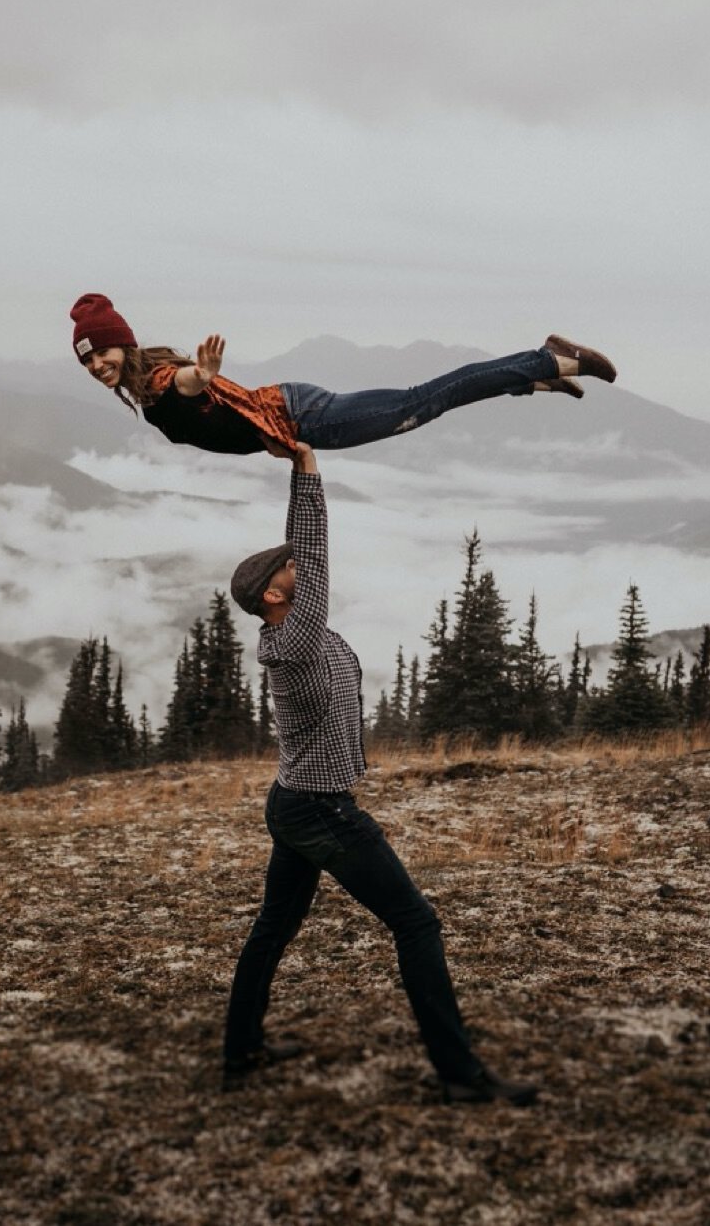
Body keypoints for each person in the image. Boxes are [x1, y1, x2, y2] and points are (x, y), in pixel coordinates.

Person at [220, 439, 540, 1105]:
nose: (297, 567)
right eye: (287, 568)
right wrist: (306, 465)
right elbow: (311, 545)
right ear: (276, 593)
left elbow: (301, 556)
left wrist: (294, 460)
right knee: (416, 922)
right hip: (318, 809)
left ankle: (241, 1047)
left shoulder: (294, 634)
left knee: (274, 926)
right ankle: (461, 1075)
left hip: (293, 801)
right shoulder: (298, 642)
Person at [68, 293, 615, 456]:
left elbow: (182, 386)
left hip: (308, 417)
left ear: (123, 345)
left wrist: (201, 377)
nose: (96, 366)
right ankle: (530, 380)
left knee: (427, 399)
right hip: (295, 411)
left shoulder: (157, 383)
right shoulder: (144, 383)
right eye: (87, 361)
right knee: (429, 402)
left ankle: (547, 358)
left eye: (101, 354)